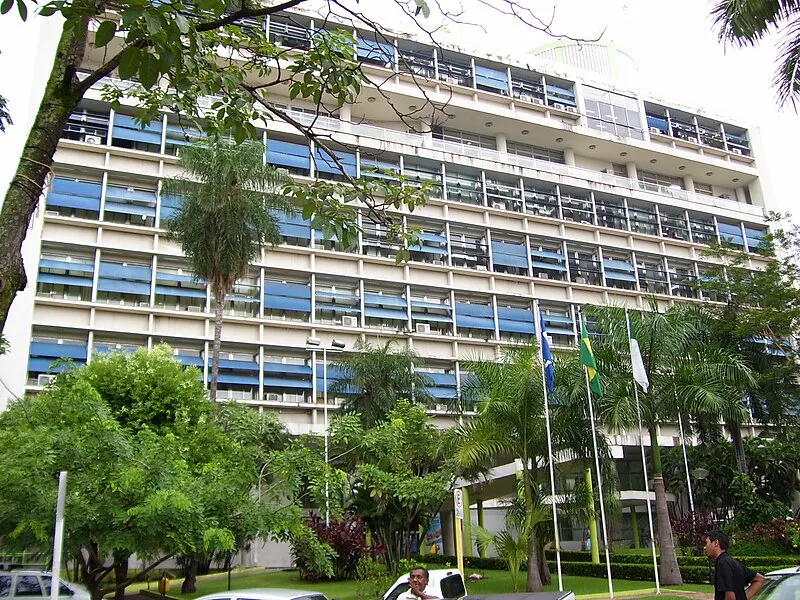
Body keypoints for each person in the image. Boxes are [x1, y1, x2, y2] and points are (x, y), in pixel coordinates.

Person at [704, 529, 766, 600]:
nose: (705, 547)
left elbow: (730, 597)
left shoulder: (722, 564)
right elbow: (760, 579)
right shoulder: (735, 563)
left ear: (716, 543)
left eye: (706, 543)